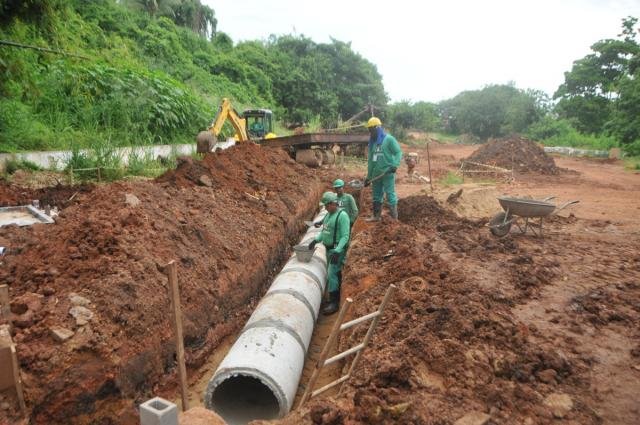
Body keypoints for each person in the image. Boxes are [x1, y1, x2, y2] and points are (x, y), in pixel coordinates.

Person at [308, 192, 350, 315]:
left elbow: (345, 236)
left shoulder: (342, 216)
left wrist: (338, 251)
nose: (325, 208)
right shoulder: (328, 215)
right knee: (331, 273)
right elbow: (324, 231)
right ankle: (332, 296)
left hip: (337, 250)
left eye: (326, 205)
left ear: (333, 203)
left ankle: (335, 302)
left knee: (332, 273)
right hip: (328, 249)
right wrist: (315, 240)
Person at [364, 117, 402, 220]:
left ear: (377, 128)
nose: (370, 132)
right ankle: (376, 216)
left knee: (390, 195)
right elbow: (371, 162)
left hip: (387, 173)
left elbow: (398, 152)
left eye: (371, 130)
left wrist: (395, 165)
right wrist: (368, 177)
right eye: (369, 130)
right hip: (376, 175)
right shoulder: (372, 143)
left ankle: (394, 219)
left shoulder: (389, 139)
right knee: (376, 195)